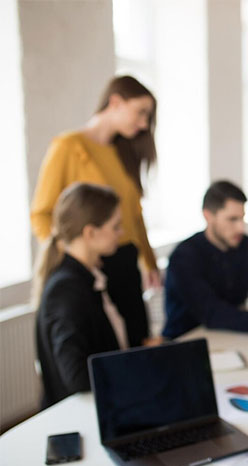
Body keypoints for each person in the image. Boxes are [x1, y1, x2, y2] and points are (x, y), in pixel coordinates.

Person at [30, 75, 160, 348]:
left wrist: (148, 260)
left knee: (138, 344)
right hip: (91, 264)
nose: (144, 123)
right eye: (140, 112)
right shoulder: (68, 147)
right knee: (100, 351)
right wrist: (70, 256)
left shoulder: (124, 151)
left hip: (125, 260)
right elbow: (41, 213)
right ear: (115, 102)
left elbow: (134, 215)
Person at [34, 183, 125, 409]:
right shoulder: (66, 289)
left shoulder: (88, 276)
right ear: (90, 233)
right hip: (81, 415)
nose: (121, 233)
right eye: (116, 227)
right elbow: (77, 377)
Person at [162, 180, 248, 339]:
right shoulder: (184, 257)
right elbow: (212, 313)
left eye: (242, 218)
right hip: (185, 341)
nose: (241, 227)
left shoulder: (247, 246)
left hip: (230, 336)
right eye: (232, 219)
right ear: (208, 216)